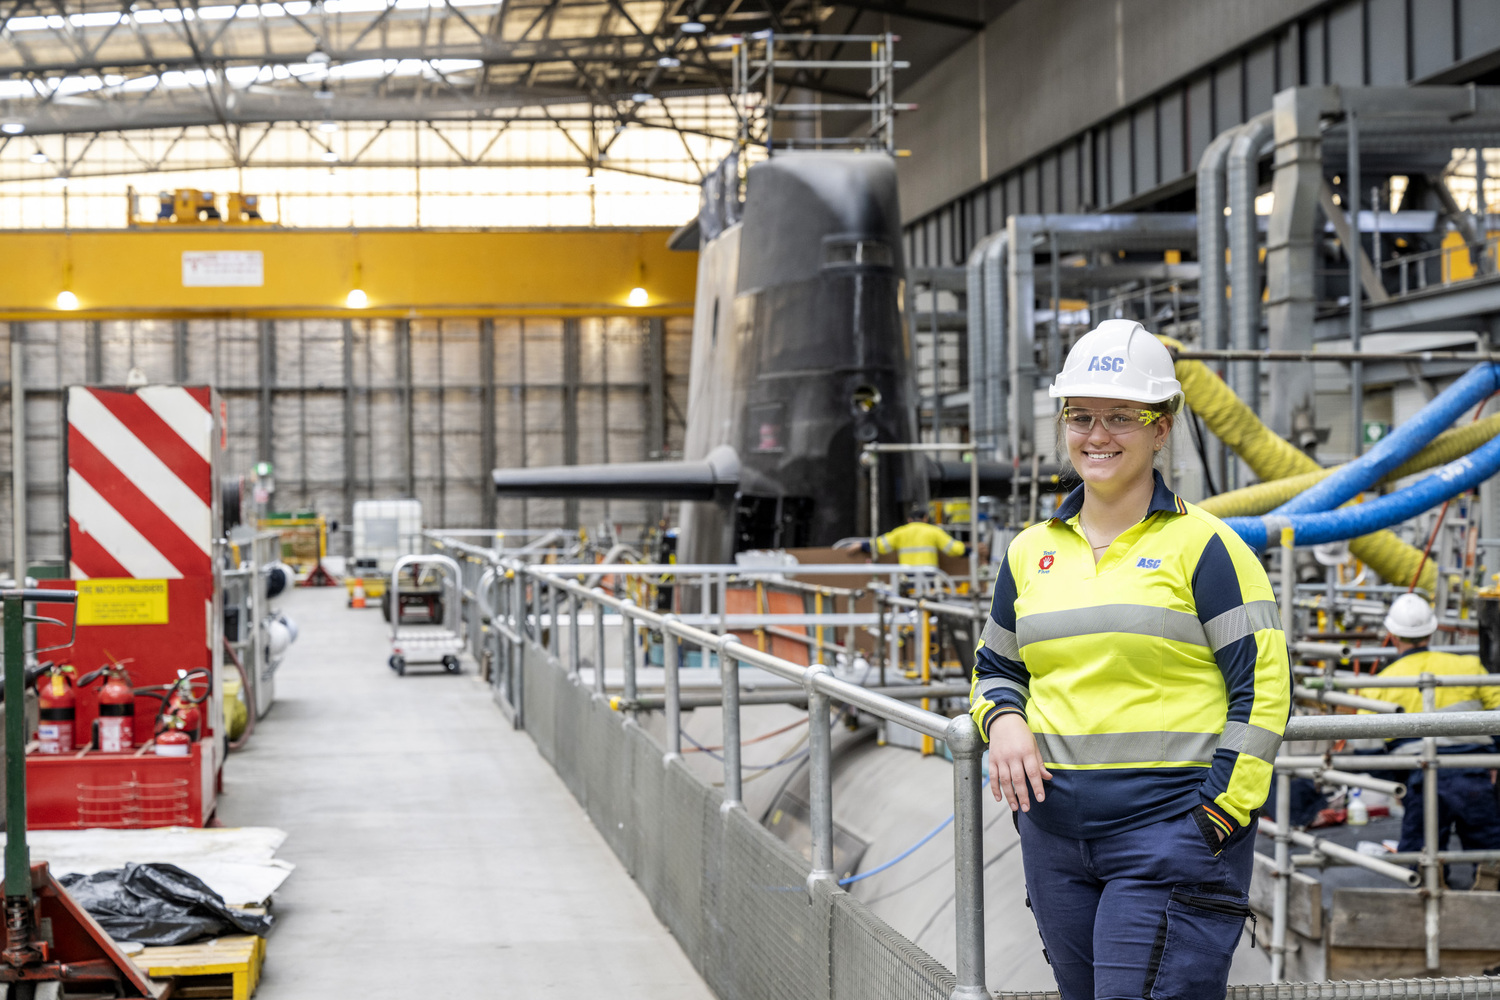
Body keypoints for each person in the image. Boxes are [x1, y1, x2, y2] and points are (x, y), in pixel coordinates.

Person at [969, 319, 1291, 1000]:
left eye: (1121, 416)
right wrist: (1003, 723)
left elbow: (1262, 690)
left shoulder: (1206, 549)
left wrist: (1216, 819)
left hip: (1167, 836)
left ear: (1161, 428)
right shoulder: (1030, 552)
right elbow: (996, 668)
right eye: (1081, 415)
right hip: (1055, 842)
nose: (1097, 434)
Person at [1354, 593, 1500, 887]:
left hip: (1419, 776)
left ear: (1392, 635)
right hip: (1474, 772)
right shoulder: (1468, 667)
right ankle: (1489, 877)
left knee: (1419, 847)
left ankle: (1429, 885)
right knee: (1489, 842)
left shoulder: (1380, 684)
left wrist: (1397, 781)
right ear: (1432, 630)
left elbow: (1365, 750)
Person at [837, 505, 965, 594]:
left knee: (910, 605)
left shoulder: (901, 532)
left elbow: (881, 545)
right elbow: (954, 549)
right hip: (929, 576)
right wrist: (969, 551)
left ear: (909, 520)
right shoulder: (934, 531)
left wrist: (862, 545)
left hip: (908, 577)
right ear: (925, 518)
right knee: (928, 607)